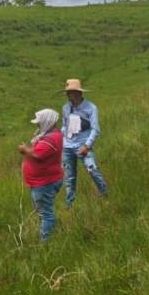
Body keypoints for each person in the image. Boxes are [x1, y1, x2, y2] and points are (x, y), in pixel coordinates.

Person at [61, 79, 108, 207]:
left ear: (78, 93)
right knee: (69, 177)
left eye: (71, 92)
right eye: (67, 92)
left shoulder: (91, 108)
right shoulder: (65, 108)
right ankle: (69, 204)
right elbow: (64, 126)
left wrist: (87, 145)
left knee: (92, 169)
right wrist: (60, 138)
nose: (68, 95)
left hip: (83, 145)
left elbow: (95, 129)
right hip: (67, 146)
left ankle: (104, 193)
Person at [19, 109, 64, 242]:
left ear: (47, 121)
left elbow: (38, 155)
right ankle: (48, 233)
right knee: (43, 211)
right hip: (42, 181)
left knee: (46, 213)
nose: (37, 125)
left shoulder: (51, 139)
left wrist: (24, 149)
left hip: (44, 183)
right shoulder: (51, 135)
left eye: (39, 123)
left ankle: (46, 243)